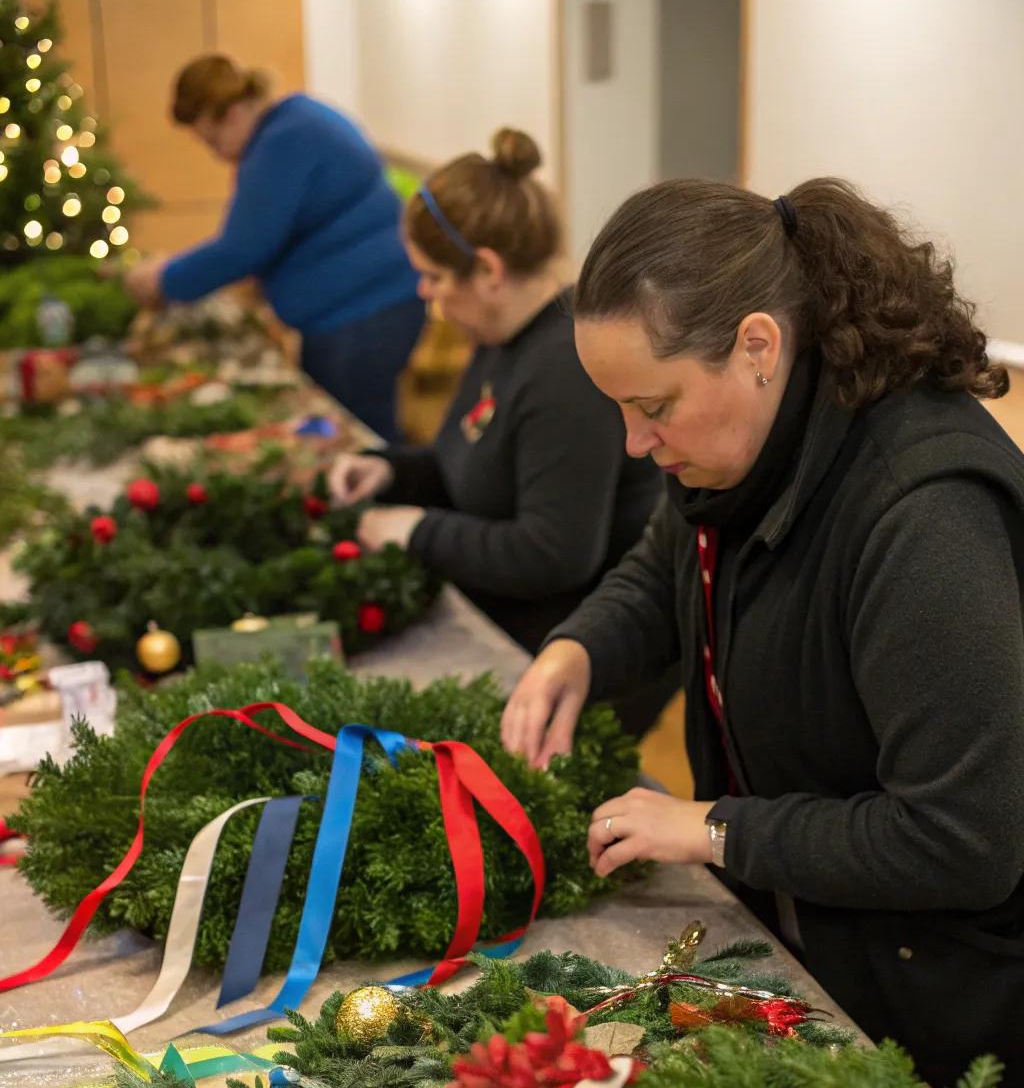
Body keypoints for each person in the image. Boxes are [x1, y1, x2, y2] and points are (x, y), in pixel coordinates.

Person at [501, 175, 1024, 1088]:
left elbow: (962, 840)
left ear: (757, 346)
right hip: (817, 951)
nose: (634, 443)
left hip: (943, 1035)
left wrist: (714, 828)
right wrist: (577, 650)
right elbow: (666, 567)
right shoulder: (743, 439)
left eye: (653, 406)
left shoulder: (925, 517)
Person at [328, 129, 673, 735]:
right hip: (512, 625)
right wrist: (389, 470)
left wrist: (417, 531)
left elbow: (554, 554)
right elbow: (468, 462)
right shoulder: (500, 339)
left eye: (434, 276)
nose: (424, 292)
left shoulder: (565, 369)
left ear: (488, 270)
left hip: (569, 658)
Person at [124, 55, 423, 440]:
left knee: (357, 436)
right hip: (373, 303)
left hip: (362, 313)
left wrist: (163, 279)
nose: (218, 155)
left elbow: (242, 248)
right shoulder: (297, 119)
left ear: (233, 114)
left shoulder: (282, 141)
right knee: (354, 427)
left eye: (213, 141)